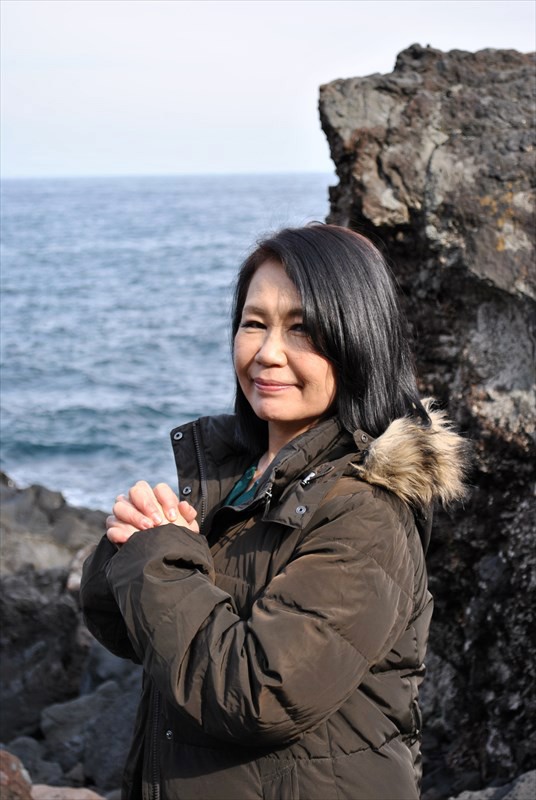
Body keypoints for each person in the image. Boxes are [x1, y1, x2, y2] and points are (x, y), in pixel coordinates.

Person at [80, 224, 468, 800]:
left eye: (302, 329)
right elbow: (138, 636)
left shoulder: (367, 513)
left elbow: (255, 693)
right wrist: (129, 541)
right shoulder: (236, 477)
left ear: (358, 340)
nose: (268, 353)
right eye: (254, 323)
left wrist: (157, 556)